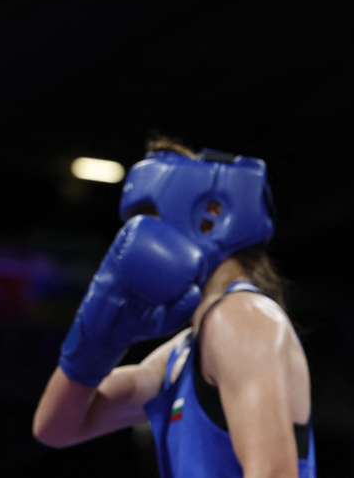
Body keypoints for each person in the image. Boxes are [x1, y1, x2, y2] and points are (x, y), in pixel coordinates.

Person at [33, 137, 316, 478]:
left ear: (211, 214)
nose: (141, 240)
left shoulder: (242, 317)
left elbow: (273, 474)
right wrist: (98, 337)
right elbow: (56, 428)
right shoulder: (181, 353)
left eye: (150, 219)